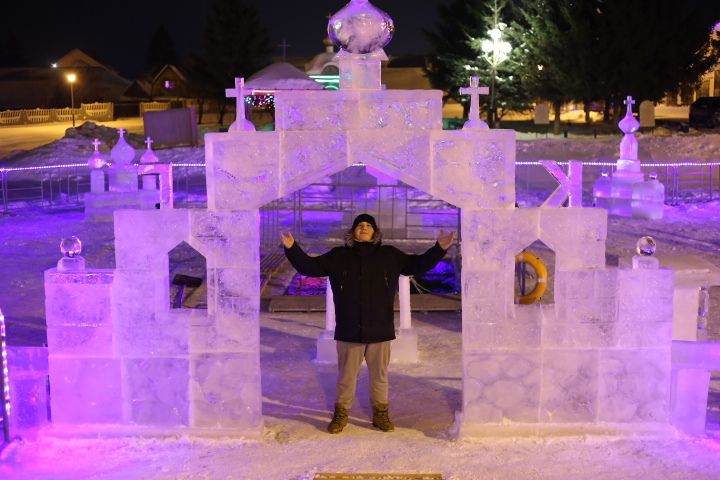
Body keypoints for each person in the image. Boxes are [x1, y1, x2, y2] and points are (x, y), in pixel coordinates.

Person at [281, 213, 455, 433]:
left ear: (375, 231)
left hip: (380, 330)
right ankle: (341, 414)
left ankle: (380, 414)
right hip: (349, 330)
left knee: (380, 378)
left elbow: (417, 264)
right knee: (346, 378)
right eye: (359, 225)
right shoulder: (338, 256)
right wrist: (292, 248)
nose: (363, 227)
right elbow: (310, 267)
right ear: (353, 232)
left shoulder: (389, 255)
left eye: (368, 225)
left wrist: (439, 249)